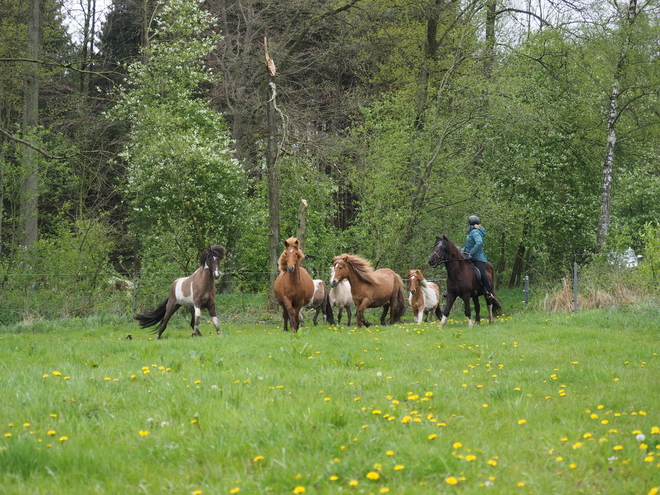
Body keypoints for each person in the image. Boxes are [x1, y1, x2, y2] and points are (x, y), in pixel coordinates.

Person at [462, 215, 495, 299]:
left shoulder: (475, 232)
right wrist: (461, 250)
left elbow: (479, 243)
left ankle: (490, 292)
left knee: (482, 275)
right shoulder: (471, 232)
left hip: (477, 258)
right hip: (468, 257)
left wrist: (471, 253)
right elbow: (469, 246)